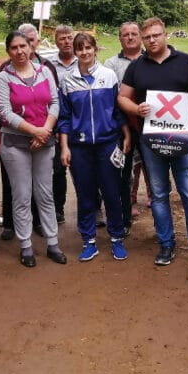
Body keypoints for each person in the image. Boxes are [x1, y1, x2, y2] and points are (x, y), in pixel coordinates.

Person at [118, 17, 188, 269]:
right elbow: (122, 98)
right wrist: (136, 109)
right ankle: (166, 244)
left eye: (156, 35)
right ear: (142, 38)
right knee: (159, 195)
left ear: (166, 35)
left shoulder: (186, 61)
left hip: (182, 139)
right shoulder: (137, 67)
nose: (152, 40)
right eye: (147, 37)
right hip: (151, 141)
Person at [0, 30, 67, 267]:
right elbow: (4, 112)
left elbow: (54, 102)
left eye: (23, 46)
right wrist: (34, 131)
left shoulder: (45, 71)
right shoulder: (4, 77)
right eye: (14, 48)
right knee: (23, 196)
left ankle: (53, 243)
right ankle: (25, 246)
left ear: (31, 47)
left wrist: (44, 130)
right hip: (16, 144)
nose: (19, 51)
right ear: (8, 52)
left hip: (43, 141)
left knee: (45, 194)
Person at [59, 32, 131, 261]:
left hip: (107, 143)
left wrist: (126, 135)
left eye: (88, 48)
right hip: (79, 147)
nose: (85, 52)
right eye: (80, 49)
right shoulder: (67, 80)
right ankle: (89, 241)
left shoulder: (108, 75)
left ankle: (117, 238)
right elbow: (64, 117)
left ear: (95, 49)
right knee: (85, 195)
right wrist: (64, 147)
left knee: (112, 192)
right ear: (75, 51)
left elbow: (117, 110)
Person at [103, 21, 149, 231]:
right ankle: (123, 220)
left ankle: (161, 224)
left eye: (134, 34)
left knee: (154, 172)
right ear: (119, 38)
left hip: (150, 124)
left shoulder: (150, 59)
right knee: (123, 173)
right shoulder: (110, 64)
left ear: (140, 36)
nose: (130, 37)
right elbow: (112, 97)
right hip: (123, 127)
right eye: (125, 34)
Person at [48, 25, 76, 224]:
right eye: (62, 39)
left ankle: (94, 209)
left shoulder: (84, 60)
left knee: (86, 169)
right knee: (58, 169)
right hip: (58, 125)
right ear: (55, 41)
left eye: (69, 38)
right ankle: (58, 209)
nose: (66, 42)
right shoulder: (49, 66)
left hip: (81, 124)